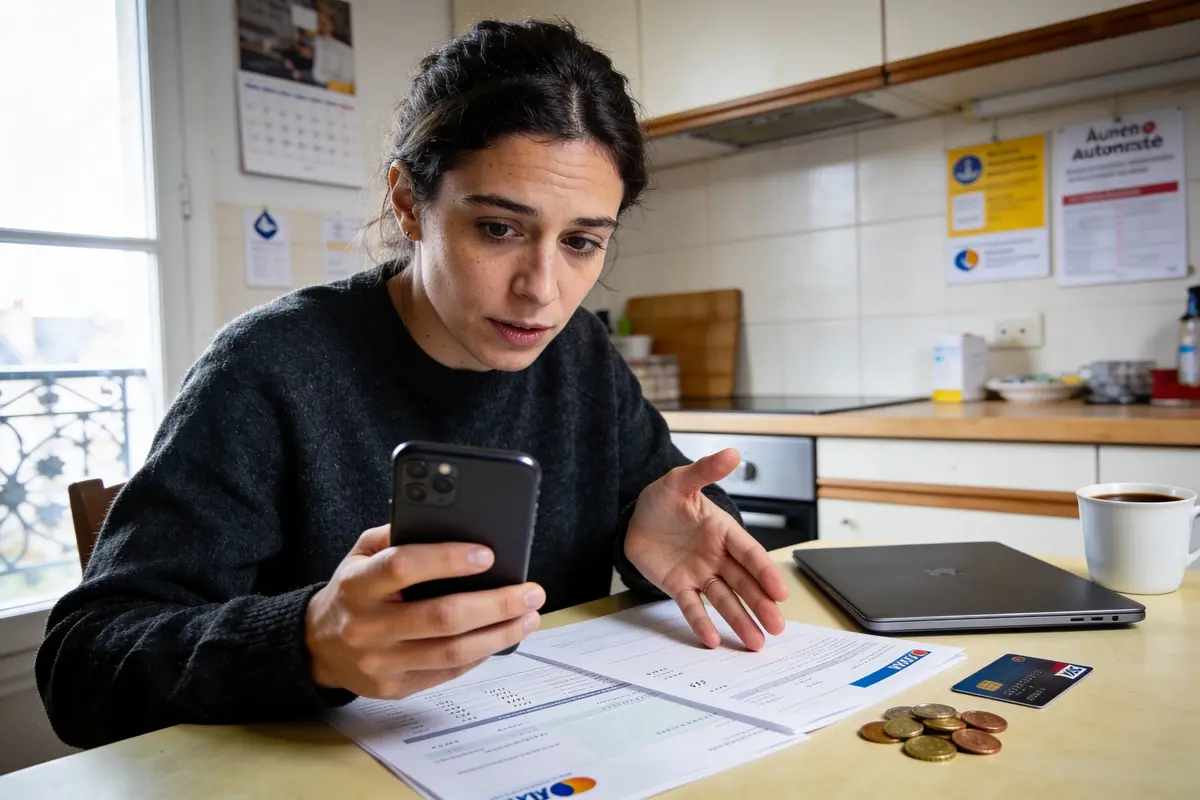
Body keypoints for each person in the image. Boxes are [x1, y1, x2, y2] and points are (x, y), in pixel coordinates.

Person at [35, 19, 789, 750]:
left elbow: (680, 528)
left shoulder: (582, 353)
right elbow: (82, 666)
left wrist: (639, 534)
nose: (543, 290)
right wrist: (307, 642)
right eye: (498, 228)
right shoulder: (270, 369)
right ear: (408, 203)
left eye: (583, 242)